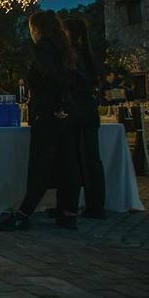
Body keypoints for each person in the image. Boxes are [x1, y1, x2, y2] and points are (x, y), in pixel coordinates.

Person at [0, 10, 82, 231]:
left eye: (31, 29)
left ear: (37, 29)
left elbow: (51, 79)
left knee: (41, 164)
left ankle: (24, 212)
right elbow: (72, 79)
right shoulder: (64, 49)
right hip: (66, 113)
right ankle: (68, 211)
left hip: (48, 112)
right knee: (67, 163)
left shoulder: (42, 50)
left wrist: (56, 106)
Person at [65, 18, 105, 219]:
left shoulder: (71, 54)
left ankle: (72, 205)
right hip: (90, 107)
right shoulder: (88, 53)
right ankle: (96, 204)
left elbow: (70, 80)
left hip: (78, 107)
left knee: (77, 157)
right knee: (92, 157)